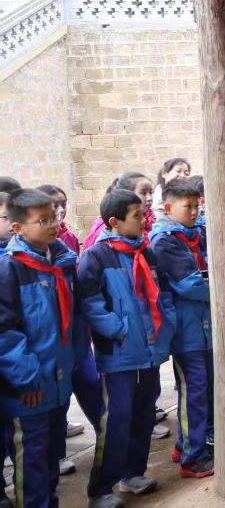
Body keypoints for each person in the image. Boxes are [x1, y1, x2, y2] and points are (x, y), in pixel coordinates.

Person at [77, 188, 177, 507]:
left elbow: (161, 294)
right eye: (136, 215)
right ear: (114, 222)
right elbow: (89, 301)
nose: (144, 219)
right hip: (119, 352)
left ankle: (133, 473)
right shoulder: (96, 256)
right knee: (117, 418)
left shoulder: (145, 252)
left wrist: (166, 324)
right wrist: (117, 329)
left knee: (145, 413)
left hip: (149, 350)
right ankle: (101, 488)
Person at [0, 189, 79, 507]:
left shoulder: (61, 261)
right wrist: (27, 378)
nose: (53, 224)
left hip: (58, 380)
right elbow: (5, 332)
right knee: (31, 458)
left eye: (54, 217)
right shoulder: (9, 269)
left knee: (51, 454)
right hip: (29, 386)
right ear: (17, 228)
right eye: (43, 220)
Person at [150, 178, 214, 478]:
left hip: (204, 327)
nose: (193, 211)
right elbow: (190, 284)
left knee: (202, 389)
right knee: (194, 392)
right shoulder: (165, 241)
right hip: (185, 332)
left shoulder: (196, 234)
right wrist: (223, 285)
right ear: (168, 208)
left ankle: (185, 444)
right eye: (187, 206)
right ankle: (192, 458)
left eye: (196, 206)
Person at [37, 185, 97, 474]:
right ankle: (56, 454)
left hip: (75, 335)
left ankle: (113, 449)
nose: (59, 212)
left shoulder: (67, 243)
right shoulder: (15, 264)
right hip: (48, 345)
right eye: (51, 211)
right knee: (55, 403)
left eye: (62, 206)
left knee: (92, 387)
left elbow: (79, 291)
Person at [83, 172, 156, 251]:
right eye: (143, 193)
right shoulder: (106, 231)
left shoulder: (150, 221)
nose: (149, 198)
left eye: (150, 192)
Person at [36, 185, 79, 255]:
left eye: (63, 205)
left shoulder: (69, 237)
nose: (61, 210)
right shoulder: (31, 236)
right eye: (55, 206)